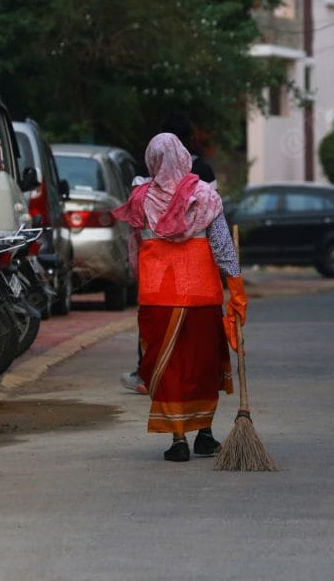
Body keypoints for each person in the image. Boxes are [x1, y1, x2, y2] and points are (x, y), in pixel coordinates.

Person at [112, 133, 246, 462]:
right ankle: (205, 435)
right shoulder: (205, 197)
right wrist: (237, 289)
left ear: (152, 161)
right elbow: (223, 247)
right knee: (202, 366)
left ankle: (178, 440)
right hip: (201, 295)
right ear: (184, 157)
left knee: (167, 366)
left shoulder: (141, 199)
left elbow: (134, 251)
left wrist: (138, 279)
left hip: (158, 297)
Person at [121, 113, 216, 393]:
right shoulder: (205, 178)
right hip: (198, 279)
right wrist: (229, 274)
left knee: (155, 331)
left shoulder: (142, 185)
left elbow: (135, 237)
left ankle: (149, 374)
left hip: (156, 282)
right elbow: (215, 227)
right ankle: (194, 385)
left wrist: (136, 271)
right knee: (196, 337)